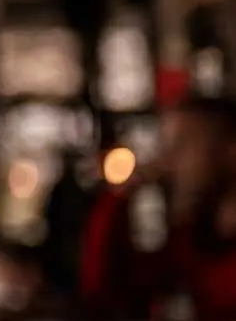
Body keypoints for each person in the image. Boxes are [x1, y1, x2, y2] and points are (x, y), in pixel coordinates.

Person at [80, 97, 236, 318]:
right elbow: (106, 291)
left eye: (183, 144)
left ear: (231, 150)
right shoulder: (190, 242)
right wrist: (120, 195)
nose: (167, 160)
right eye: (166, 146)